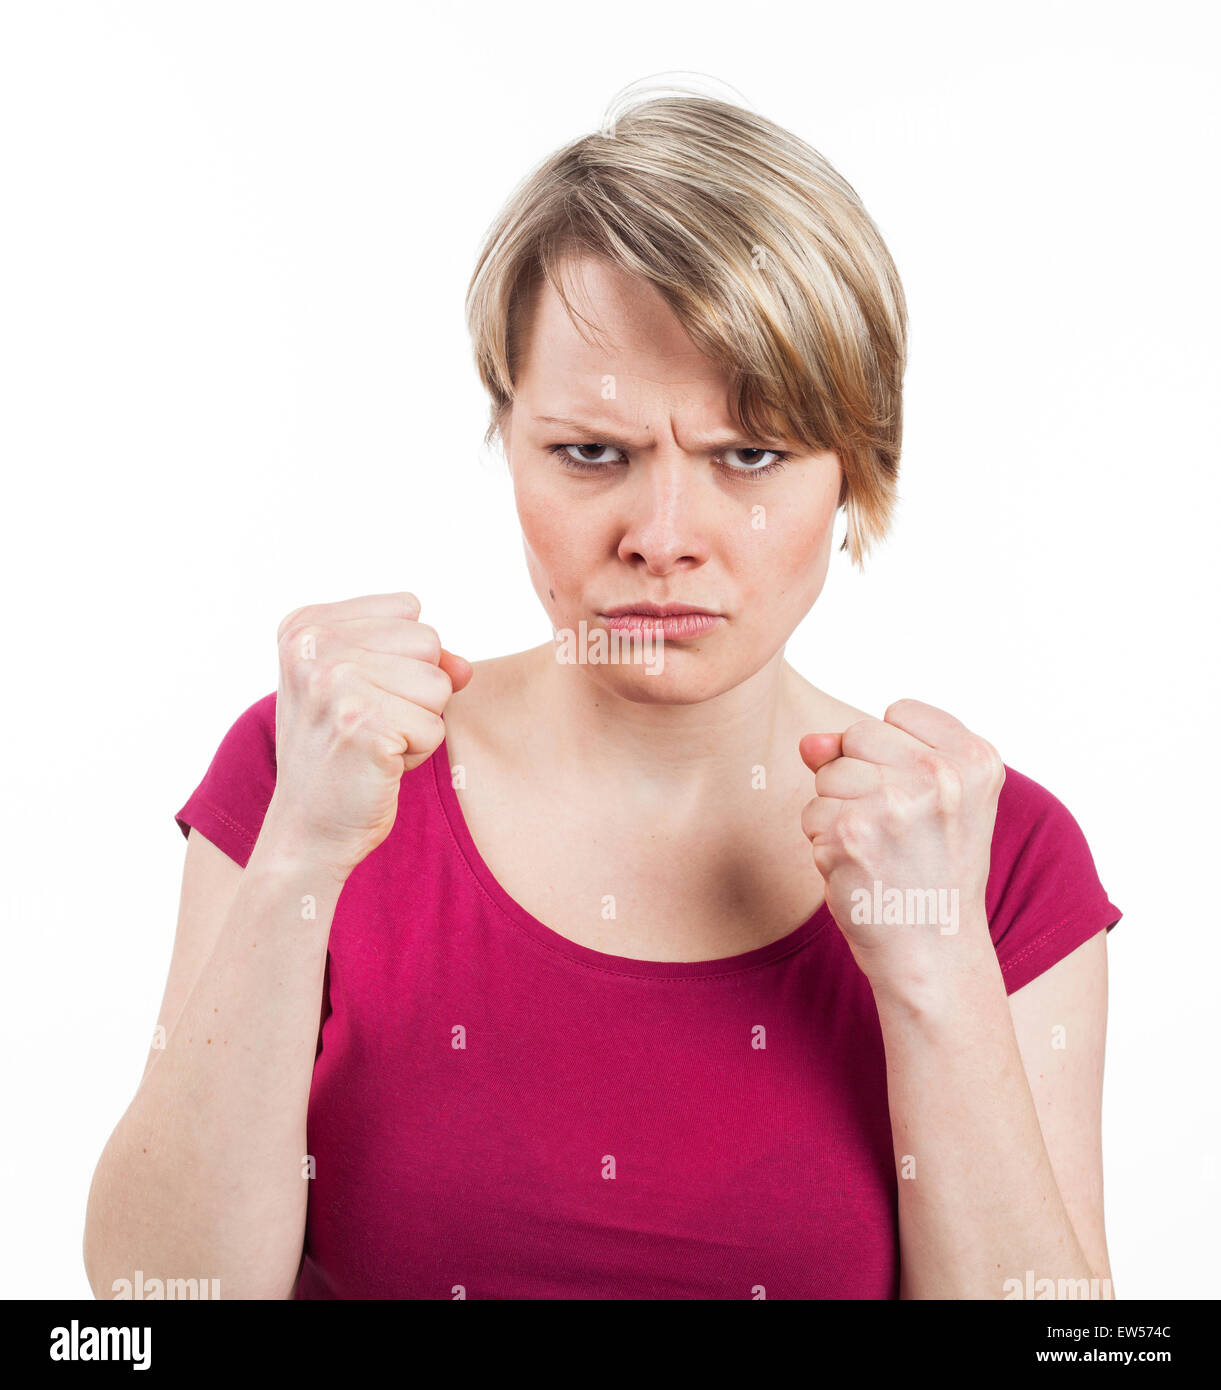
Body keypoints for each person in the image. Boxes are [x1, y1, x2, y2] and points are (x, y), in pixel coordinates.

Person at [83, 91, 1120, 1300]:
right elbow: (153, 1310)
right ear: (507, 438)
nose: (664, 537)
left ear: (856, 469)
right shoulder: (311, 766)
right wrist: (301, 861)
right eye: (593, 453)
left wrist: (939, 976)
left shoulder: (1001, 852)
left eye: (749, 455)